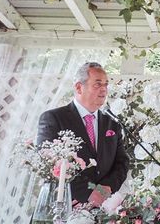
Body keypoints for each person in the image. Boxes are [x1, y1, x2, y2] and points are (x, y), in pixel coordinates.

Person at [37, 62, 129, 205]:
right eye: (98, 84)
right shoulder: (53, 118)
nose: (104, 89)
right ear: (79, 87)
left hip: (104, 207)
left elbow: (121, 163)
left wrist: (104, 191)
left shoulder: (112, 124)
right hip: (64, 204)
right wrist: (89, 193)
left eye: (106, 84)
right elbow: (47, 163)